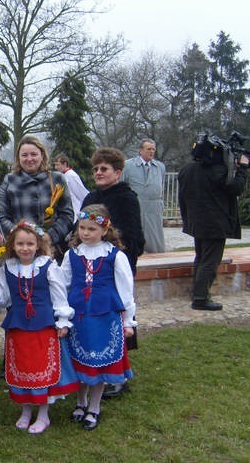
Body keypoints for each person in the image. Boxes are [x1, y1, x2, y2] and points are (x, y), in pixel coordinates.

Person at [0, 221, 79, 434]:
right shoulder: (7, 267)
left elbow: (58, 294)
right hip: (18, 326)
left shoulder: (47, 265)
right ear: (12, 245)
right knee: (23, 368)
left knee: (42, 369)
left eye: (29, 243)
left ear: (38, 244)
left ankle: (43, 414)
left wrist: (63, 319)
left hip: (43, 325)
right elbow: (2, 300)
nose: (25, 248)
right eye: (20, 244)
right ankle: (26, 410)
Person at [60, 204, 136, 431]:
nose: (85, 233)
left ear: (104, 230)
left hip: (104, 317)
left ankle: (94, 406)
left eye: (91, 229)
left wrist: (128, 320)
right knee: (80, 361)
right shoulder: (71, 255)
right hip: (79, 317)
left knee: (98, 362)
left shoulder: (115, 255)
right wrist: (61, 314)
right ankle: (80, 402)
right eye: (82, 228)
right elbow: (62, 285)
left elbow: (125, 288)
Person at [82, 147, 144, 398]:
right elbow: (83, 229)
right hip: (90, 268)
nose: (99, 172)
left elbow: (133, 236)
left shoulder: (126, 198)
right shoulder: (90, 198)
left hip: (115, 267)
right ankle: (95, 366)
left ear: (117, 172)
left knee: (118, 319)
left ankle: (119, 375)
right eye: (96, 168)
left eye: (104, 169)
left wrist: (116, 259)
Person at [178, 136, 250, 311]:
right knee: (210, 261)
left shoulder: (187, 169)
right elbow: (236, 188)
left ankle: (198, 293)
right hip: (215, 222)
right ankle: (201, 298)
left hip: (196, 221)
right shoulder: (217, 171)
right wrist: (242, 169)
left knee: (201, 258)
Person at [0, 136, 74, 259]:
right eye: (24, 155)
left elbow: (67, 214)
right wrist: (19, 239)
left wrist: (50, 236)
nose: (29, 159)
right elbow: (1, 216)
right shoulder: (9, 181)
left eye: (34, 154)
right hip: (19, 252)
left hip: (51, 250)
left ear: (42, 155)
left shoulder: (57, 179)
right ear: (18, 158)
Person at [121, 138, 166, 253]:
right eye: (148, 149)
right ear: (140, 150)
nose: (151, 151)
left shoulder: (160, 166)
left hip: (154, 207)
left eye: (153, 149)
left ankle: (156, 255)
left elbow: (162, 184)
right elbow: (121, 185)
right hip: (136, 205)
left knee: (155, 236)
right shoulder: (128, 165)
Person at [53, 153, 89, 219]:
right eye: (55, 165)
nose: (56, 167)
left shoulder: (71, 176)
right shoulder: (62, 176)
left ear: (65, 164)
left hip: (74, 211)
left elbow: (81, 194)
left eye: (58, 165)